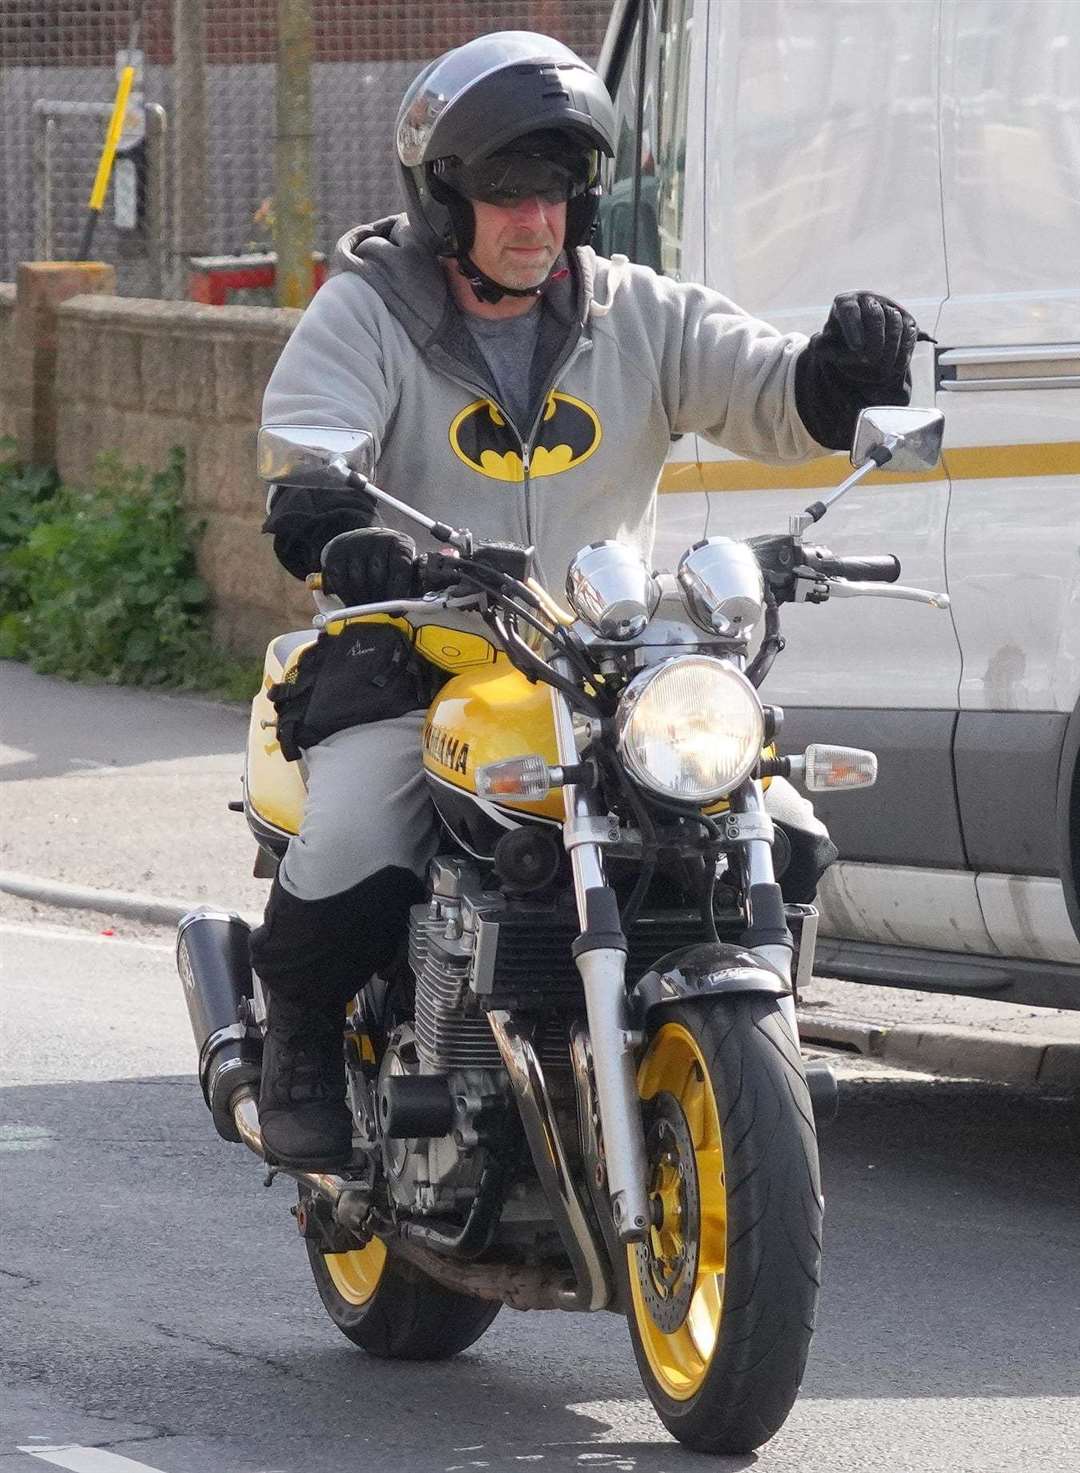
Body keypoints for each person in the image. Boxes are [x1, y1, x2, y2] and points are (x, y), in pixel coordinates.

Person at [250, 31, 919, 1170]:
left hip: (602, 661)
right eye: (508, 193)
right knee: (362, 832)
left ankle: (751, 1045)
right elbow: (308, 451)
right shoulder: (367, 314)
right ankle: (302, 1043)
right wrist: (335, 527)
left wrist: (841, 370)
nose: (537, 222)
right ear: (446, 200)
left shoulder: (637, 312)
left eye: (556, 192)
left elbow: (770, 388)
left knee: (786, 832)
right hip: (428, 654)